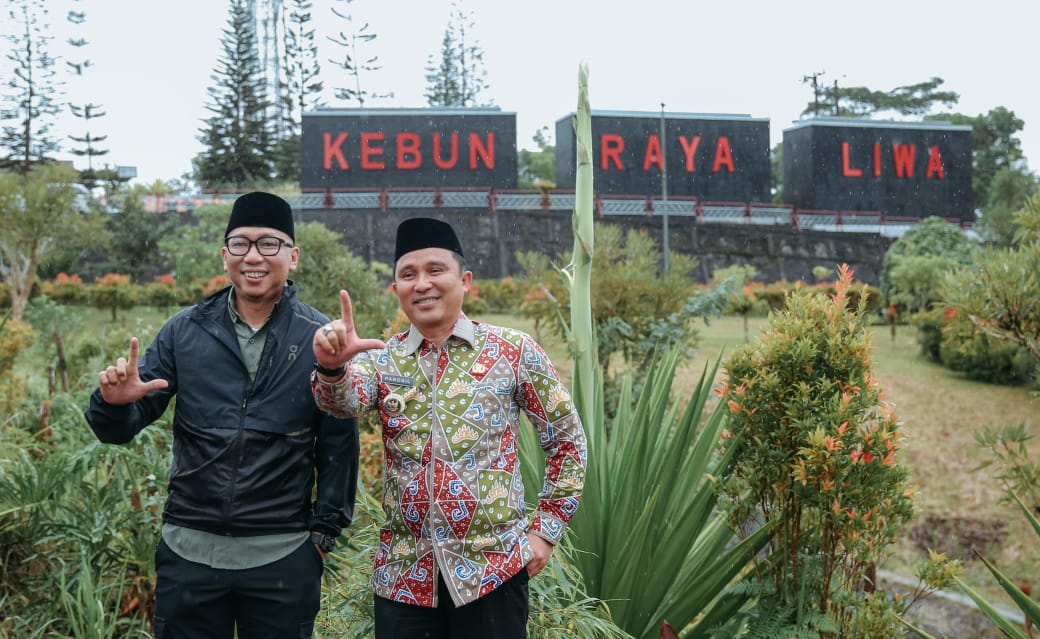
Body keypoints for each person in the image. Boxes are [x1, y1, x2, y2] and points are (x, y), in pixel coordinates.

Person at [84, 191, 359, 639]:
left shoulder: (321, 337)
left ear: (292, 257)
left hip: (282, 555)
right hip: (188, 553)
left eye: (268, 243)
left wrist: (322, 537)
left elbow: (338, 445)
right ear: (225, 255)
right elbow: (119, 429)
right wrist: (113, 404)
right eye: (240, 243)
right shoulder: (185, 331)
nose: (253, 256)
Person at [310, 217, 587, 639]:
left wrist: (545, 532)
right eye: (408, 275)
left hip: (492, 571)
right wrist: (332, 368)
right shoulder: (382, 359)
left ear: (465, 280)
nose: (422, 284)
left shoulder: (512, 351)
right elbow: (342, 402)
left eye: (435, 270)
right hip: (404, 576)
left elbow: (567, 441)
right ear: (396, 290)